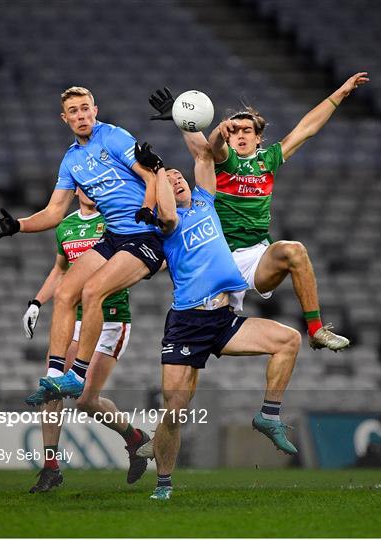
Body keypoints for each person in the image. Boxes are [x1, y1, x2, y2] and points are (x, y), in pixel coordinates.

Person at [149, 73, 369, 351]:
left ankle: (316, 330)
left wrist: (340, 93)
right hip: (218, 259)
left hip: (255, 257)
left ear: (258, 137)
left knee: (294, 251)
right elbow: (209, 148)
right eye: (235, 130)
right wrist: (188, 120)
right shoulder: (224, 161)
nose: (240, 135)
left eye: (247, 130)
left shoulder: (269, 160)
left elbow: (307, 129)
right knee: (195, 338)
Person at [134, 137, 301, 500]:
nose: (178, 180)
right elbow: (164, 213)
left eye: (180, 176)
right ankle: (163, 483)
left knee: (289, 339)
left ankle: (268, 415)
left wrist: (207, 131)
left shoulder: (206, 202)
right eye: (170, 179)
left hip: (223, 320)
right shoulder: (167, 225)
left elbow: (206, 158)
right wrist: (157, 171)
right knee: (177, 409)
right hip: (187, 324)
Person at [0, 87, 164, 411]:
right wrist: (18, 225)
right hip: (115, 236)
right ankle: (56, 373)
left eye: (85, 109)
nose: (81, 115)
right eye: (74, 111)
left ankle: (78, 375)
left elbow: (151, 176)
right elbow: (54, 213)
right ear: (64, 118)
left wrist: (148, 209)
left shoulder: (114, 137)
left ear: (94, 110)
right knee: (67, 291)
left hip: (146, 238)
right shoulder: (71, 160)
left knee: (92, 291)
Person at [23, 188, 148, 492]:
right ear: (76, 188)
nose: (91, 190)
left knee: (86, 401)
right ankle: (50, 467)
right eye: (85, 184)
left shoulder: (115, 220)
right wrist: (36, 303)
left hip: (112, 318)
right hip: (77, 319)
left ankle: (134, 438)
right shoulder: (66, 226)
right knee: (52, 384)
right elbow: (60, 271)